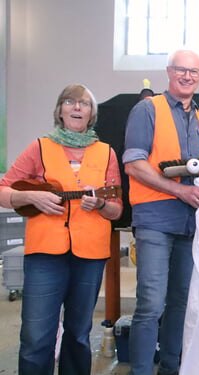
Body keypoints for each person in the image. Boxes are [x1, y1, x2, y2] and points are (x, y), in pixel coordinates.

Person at [0, 84, 123, 375]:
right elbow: (3, 189)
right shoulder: (39, 147)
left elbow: (116, 208)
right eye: (69, 102)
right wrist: (29, 196)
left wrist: (101, 206)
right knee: (36, 336)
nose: (76, 108)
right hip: (45, 254)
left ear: (92, 114)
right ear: (59, 111)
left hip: (90, 255)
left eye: (84, 103)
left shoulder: (106, 153)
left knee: (79, 334)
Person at [123, 48, 199, 375]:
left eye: (193, 71)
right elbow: (135, 165)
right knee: (150, 304)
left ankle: (170, 369)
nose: (187, 76)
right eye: (181, 69)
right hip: (154, 220)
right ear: (169, 71)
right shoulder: (146, 110)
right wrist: (180, 190)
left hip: (191, 225)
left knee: (180, 304)